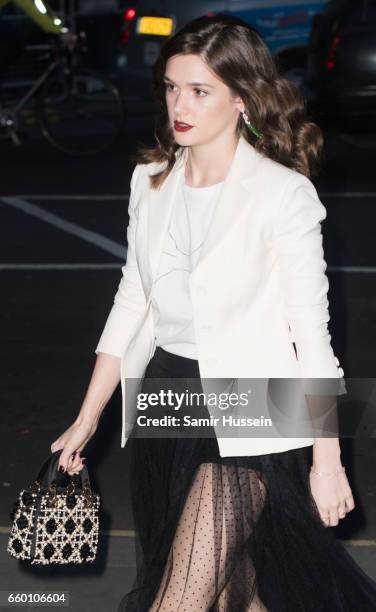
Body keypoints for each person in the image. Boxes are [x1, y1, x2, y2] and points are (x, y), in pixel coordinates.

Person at [50, 14, 376, 612]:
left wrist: (327, 460)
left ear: (242, 100)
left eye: (200, 91)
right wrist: (88, 415)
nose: (181, 104)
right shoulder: (149, 180)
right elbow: (134, 301)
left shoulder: (283, 194)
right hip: (170, 398)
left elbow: (314, 336)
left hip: (253, 403)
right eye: (173, 87)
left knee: (179, 600)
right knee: (231, 596)